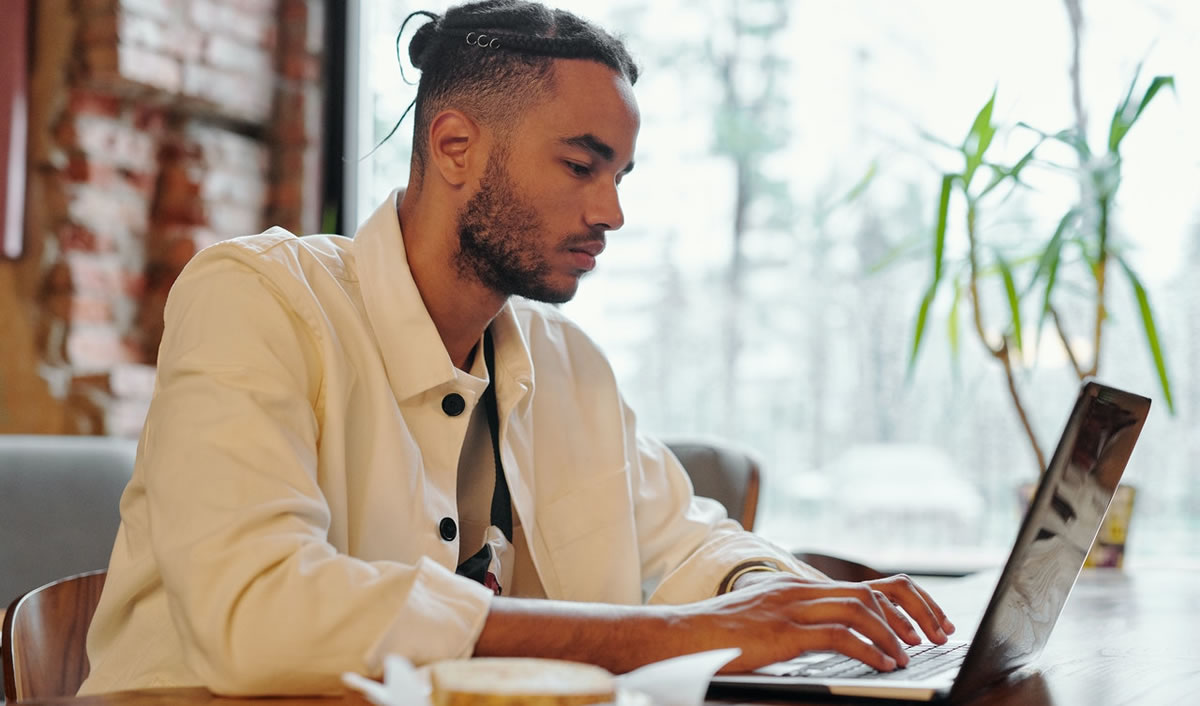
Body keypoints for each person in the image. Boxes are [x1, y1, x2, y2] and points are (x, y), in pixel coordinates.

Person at [80, 0, 954, 696]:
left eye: (620, 176)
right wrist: (673, 638)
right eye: (583, 165)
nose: (612, 211)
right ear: (455, 145)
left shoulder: (566, 359)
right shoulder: (255, 295)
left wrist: (787, 600)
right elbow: (260, 613)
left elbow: (685, 541)